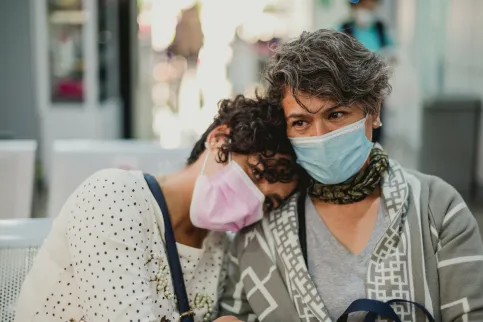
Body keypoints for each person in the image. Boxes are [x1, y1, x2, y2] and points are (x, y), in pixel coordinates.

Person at [219, 29, 483, 321]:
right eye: (301, 122)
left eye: (335, 115)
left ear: (374, 111)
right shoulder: (261, 233)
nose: (319, 136)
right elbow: (235, 313)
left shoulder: (437, 209)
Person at [15, 95, 300, 322]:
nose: (254, 201)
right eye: (258, 173)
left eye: (269, 202)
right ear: (219, 139)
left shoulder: (221, 248)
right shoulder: (114, 196)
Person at [339, 0, 395, 144]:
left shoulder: (380, 30)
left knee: (375, 136)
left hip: (377, 92)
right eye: (364, 5)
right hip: (350, 94)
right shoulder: (343, 29)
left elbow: (392, 53)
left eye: (372, 5)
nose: (368, 9)